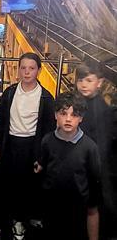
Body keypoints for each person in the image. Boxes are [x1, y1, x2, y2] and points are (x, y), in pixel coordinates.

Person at [0, 52, 55, 240]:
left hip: (31, 148)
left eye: (31, 68)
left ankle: (19, 222)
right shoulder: (9, 93)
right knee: (3, 187)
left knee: (26, 189)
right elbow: (0, 121)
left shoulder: (46, 98)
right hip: (9, 145)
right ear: (18, 70)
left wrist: (41, 158)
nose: (27, 72)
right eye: (23, 68)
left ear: (39, 71)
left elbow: (48, 131)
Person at [35, 91, 100, 240]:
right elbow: (43, 167)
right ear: (55, 115)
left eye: (74, 114)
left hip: (77, 208)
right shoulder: (47, 141)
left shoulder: (90, 147)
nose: (68, 119)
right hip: (51, 205)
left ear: (81, 118)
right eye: (63, 113)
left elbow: (94, 180)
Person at [75, 63, 115, 238]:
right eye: (80, 80)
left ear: (99, 83)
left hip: (92, 169)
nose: (83, 84)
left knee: (92, 209)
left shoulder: (101, 110)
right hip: (81, 165)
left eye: (89, 80)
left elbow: (102, 145)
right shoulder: (80, 103)